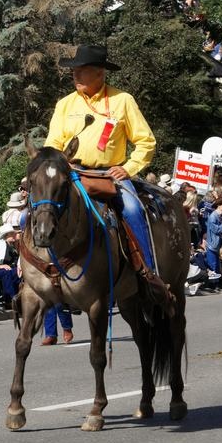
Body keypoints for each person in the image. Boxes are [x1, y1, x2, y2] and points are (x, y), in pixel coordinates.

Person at [43, 44, 162, 292]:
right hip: (73, 174)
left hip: (110, 174)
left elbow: (145, 141)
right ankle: (43, 275)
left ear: (100, 73)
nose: (75, 75)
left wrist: (128, 168)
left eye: (82, 70)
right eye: (74, 70)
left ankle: (147, 273)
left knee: (131, 209)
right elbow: (53, 142)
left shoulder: (122, 100)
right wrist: (56, 161)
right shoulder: (65, 104)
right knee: (36, 211)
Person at [205, 197, 222, 277]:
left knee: (216, 266)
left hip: (216, 245)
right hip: (212, 245)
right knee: (212, 266)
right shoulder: (213, 216)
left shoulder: (219, 216)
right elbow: (216, 230)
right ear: (219, 205)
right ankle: (211, 285)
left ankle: (215, 284)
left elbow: (221, 230)